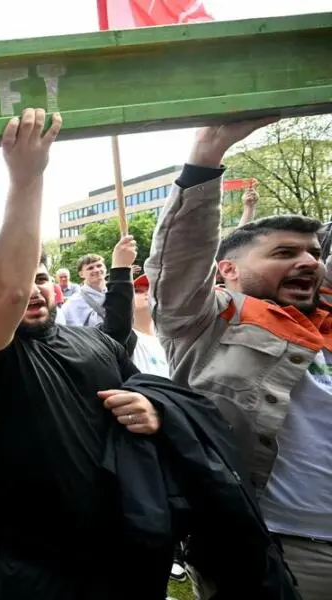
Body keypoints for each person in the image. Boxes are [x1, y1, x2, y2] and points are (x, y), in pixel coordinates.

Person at [0, 108, 164, 598]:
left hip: (117, 551)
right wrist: (28, 178)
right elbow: (7, 292)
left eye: (42, 278)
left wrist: (153, 411)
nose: (32, 288)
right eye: (25, 278)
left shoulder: (94, 340)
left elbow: (148, 390)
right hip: (35, 567)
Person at [146, 118, 332, 600]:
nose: (309, 262)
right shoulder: (212, 321)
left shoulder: (326, 319)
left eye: (314, 252)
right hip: (277, 546)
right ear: (228, 269)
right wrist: (208, 151)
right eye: (285, 253)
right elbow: (180, 263)